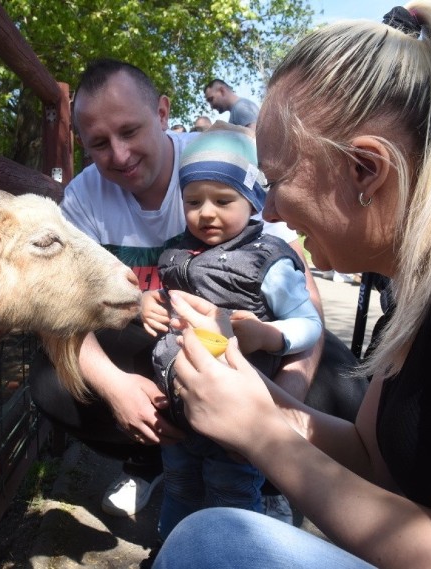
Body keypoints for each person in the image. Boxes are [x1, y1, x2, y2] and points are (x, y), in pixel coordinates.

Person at [153, 2, 431, 568]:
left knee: (210, 542)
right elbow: (371, 455)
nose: (268, 210)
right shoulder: (422, 273)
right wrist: (247, 389)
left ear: (366, 170)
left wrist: (260, 437)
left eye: (276, 182)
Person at [28, 59, 329, 520]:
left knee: (342, 388)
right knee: (54, 384)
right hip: (155, 343)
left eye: (130, 131)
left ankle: (265, 476)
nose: (120, 155)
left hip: (248, 344)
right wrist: (115, 389)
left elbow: (304, 290)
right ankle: (152, 463)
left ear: (164, 114)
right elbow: (56, 309)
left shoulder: (219, 161)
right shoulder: (84, 198)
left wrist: (280, 405)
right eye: (99, 145)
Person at [140, 123, 322, 540]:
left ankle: (236, 553)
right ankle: (172, 554)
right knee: (180, 487)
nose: (206, 212)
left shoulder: (267, 261)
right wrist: (146, 305)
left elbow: (308, 323)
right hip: (180, 406)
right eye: (193, 201)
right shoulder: (175, 250)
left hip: (237, 413)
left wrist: (266, 334)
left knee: (233, 495)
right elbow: (164, 301)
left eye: (224, 200)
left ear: (254, 200)